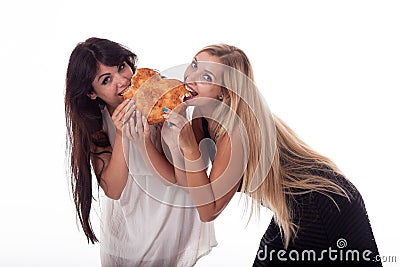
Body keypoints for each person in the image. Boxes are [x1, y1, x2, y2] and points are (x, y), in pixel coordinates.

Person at [130, 44, 382, 266]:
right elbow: (185, 183)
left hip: (322, 203)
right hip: (292, 207)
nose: (190, 77)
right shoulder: (200, 118)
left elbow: (209, 211)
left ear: (225, 92)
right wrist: (149, 143)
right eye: (194, 64)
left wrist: (187, 147)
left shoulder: (236, 131)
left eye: (205, 76)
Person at [64, 37, 216, 266]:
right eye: (106, 80)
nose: (122, 81)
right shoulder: (97, 127)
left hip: (171, 228)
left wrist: (155, 136)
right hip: (129, 236)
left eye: (122, 67)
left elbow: (175, 178)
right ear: (92, 93)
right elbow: (113, 189)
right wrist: (123, 133)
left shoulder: (164, 101)